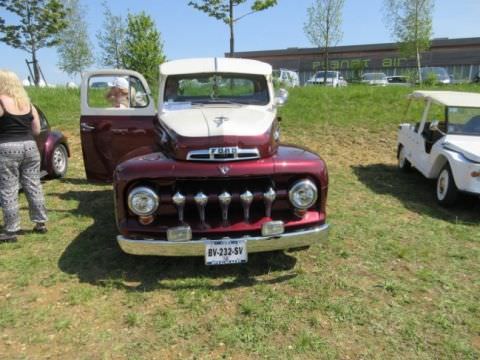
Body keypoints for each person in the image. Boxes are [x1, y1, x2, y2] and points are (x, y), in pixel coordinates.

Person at [0, 70, 48, 243]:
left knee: (9, 188)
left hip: (6, 148)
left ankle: (11, 230)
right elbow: (36, 130)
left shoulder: (1, 102)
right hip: (30, 147)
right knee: (33, 184)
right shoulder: (28, 103)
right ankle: (40, 223)